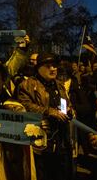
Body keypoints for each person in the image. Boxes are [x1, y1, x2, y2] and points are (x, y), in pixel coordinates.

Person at [16, 52, 75, 180]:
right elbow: (24, 105)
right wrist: (48, 111)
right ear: (39, 68)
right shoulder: (28, 85)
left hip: (61, 141)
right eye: (49, 66)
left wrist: (68, 110)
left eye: (54, 66)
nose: (53, 69)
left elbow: (66, 103)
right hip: (41, 143)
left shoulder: (59, 84)